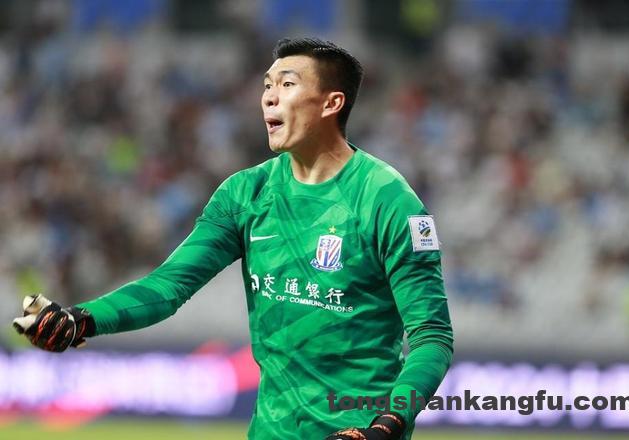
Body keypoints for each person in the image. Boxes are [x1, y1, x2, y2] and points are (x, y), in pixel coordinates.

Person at [12, 37, 453, 440]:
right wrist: (82, 319)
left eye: (287, 84)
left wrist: (387, 426)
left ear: (331, 103)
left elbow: (432, 336)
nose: (269, 96)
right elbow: (169, 285)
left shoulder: (389, 201)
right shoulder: (245, 194)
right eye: (267, 85)